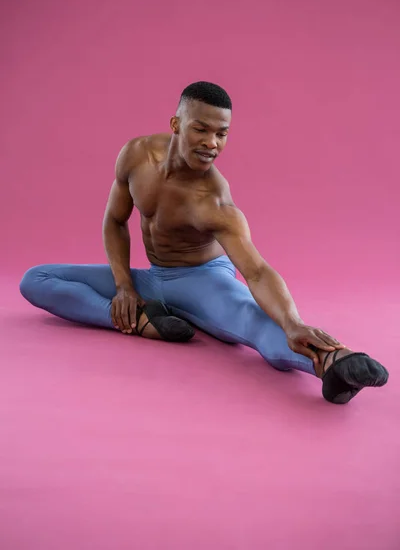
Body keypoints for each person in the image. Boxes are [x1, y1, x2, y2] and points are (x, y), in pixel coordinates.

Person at [20, 81, 389, 404]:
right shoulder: (136, 155)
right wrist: (124, 288)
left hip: (202, 281)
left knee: (252, 322)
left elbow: (257, 272)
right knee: (36, 280)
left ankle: (333, 363)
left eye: (222, 134)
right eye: (201, 129)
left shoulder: (214, 202)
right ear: (176, 124)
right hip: (152, 279)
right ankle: (145, 321)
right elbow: (115, 221)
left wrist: (293, 322)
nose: (212, 143)